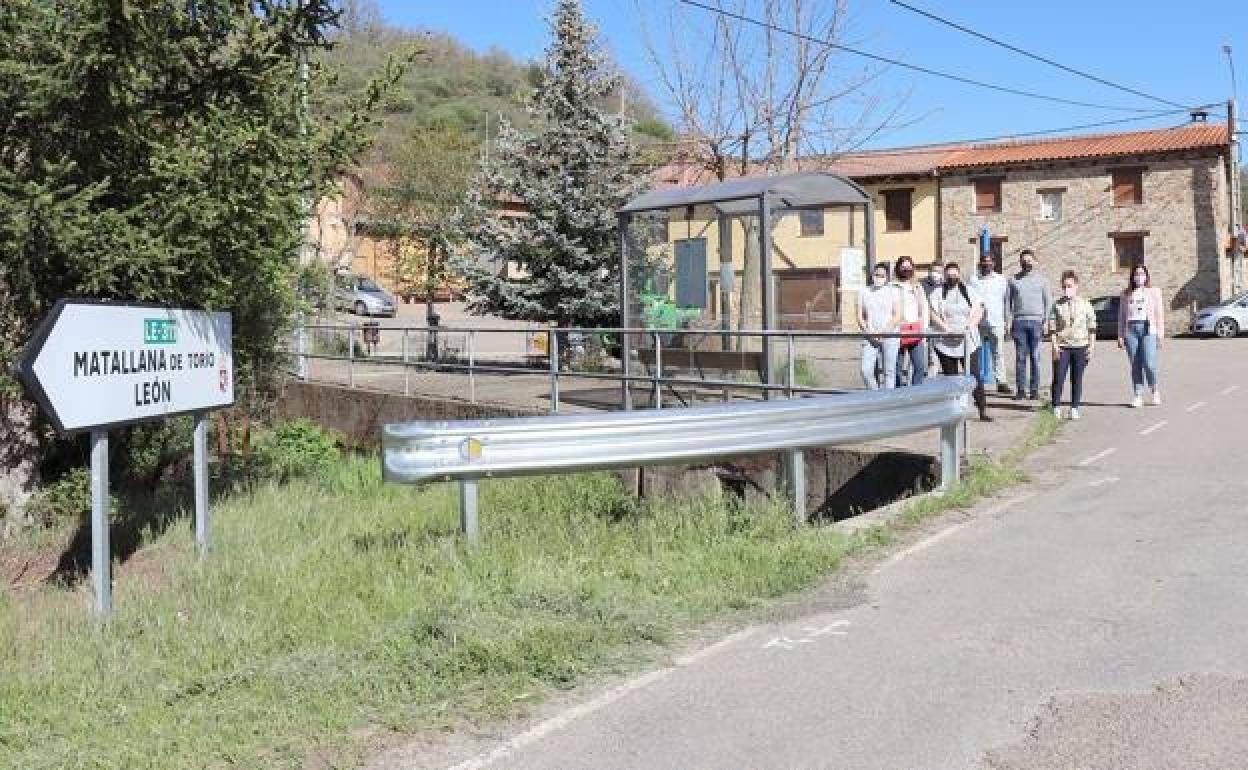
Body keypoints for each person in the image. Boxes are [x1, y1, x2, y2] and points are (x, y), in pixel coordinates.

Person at [930, 262, 990, 421]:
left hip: (967, 340)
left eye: (954, 274)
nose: (952, 277)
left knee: (974, 376)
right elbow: (932, 313)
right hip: (945, 340)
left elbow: (980, 309)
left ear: (959, 274)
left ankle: (982, 408)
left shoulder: (970, 291)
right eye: (948, 275)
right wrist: (945, 328)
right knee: (952, 378)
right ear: (944, 276)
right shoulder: (937, 293)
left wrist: (969, 326)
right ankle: (954, 410)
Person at [1048, 270, 1097, 420]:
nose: (1066, 289)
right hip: (1062, 346)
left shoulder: (1086, 304)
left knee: (1077, 379)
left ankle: (1074, 407)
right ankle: (1056, 406)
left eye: (1069, 286)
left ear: (1076, 286)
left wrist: (1091, 346)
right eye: (1064, 286)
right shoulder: (1057, 305)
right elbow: (1052, 326)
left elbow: (1092, 326)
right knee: (1059, 377)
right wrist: (1054, 345)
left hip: (1080, 346)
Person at [1117, 262, 1165, 407]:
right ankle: (1138, 394)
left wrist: (1160, 335)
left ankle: (1154, 390)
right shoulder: (1126, 294)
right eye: (1136, 274)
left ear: (1146, 276)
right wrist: (1120, 335)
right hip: (1131, 329)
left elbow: (1159, 314)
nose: (1139, 277)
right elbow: (1121, 316)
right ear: (1132, 277)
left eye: (1142, 274)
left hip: (1147, 328)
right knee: (1135, 364)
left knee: (1149, 362)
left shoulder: (1154, 291)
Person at [1007, 249, 1052, 401]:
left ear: (1035, 261)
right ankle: (1020, 390)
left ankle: (1034, 390)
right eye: (1023, 260)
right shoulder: (1013, 280)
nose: (1026, 262)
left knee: (1035, 357)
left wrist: (1046, 322)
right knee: (1020, 357)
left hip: (1036, 323)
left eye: (1029, 260)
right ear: (1020, 262)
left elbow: (1048, 302)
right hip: (1019, 322)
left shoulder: (1043, 281)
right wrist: (1008, 321)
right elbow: (1007, 303)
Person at [969, 252, 1011, 394]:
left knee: (998, 353)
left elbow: (1005, 302)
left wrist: (1007, 321)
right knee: (975, 352)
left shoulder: (1001, 280)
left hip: (996, 320)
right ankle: (975, 380)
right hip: (977, 322)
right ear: (980, 263)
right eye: (984, 261)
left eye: (989, 261)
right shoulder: (973, 280)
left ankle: (1002, 382)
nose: (986, 264)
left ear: (994, 263)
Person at [858, 263, 901, 389]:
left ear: (887, 277)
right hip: (870, 336)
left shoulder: (894, 291)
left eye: (882, 275)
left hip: (890, 335)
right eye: (876, 274)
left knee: (889, 372)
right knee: (865, 371)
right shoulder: (864, 291)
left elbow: (898, 315)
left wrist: (884, 332)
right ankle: (876, 395)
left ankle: (888, 401)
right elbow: (860, 316)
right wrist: (869, 332)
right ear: (872, 275)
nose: (879, 277)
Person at [892, 256, 930, 386]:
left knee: (920, 366)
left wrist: (923, 328)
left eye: (909, 267)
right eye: (903, 267)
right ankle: (897, 395)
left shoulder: (917, 287)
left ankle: (916, 394)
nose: (906, 269)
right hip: (897, 331)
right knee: (896, 367)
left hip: (915, 330)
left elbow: (924, 308)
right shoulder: (891, 286)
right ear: (897, 268)